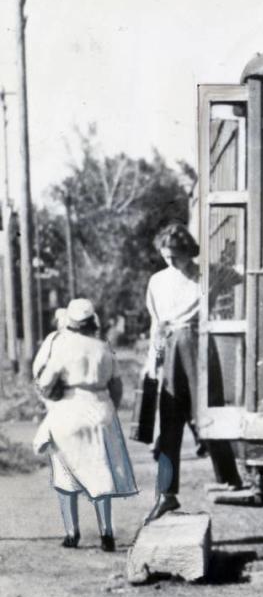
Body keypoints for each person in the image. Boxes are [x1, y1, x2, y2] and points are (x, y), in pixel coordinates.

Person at [143, 222, 241, 523]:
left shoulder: (207, 275)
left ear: (189, 252)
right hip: (170, 343)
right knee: (169, 419)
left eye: (177, 256)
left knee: (210, 412)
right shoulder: (157, 281)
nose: (172, 262)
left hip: (198, 343)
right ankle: (166, 494)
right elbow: (156, 324)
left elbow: (240, 273)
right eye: (166, 255)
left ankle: (230, 477)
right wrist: (153, 360)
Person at [31, 299, 138, 551]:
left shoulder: (63, 347)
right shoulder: (104, 349)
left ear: (69, 322)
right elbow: (117, 387)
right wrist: (106, 406)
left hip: (68, 410)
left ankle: (72, 533)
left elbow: (45, 383)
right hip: (100, 409)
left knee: (66, 472)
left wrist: (50, 398)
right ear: (94, 323)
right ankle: (106, 533)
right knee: (101, 470)